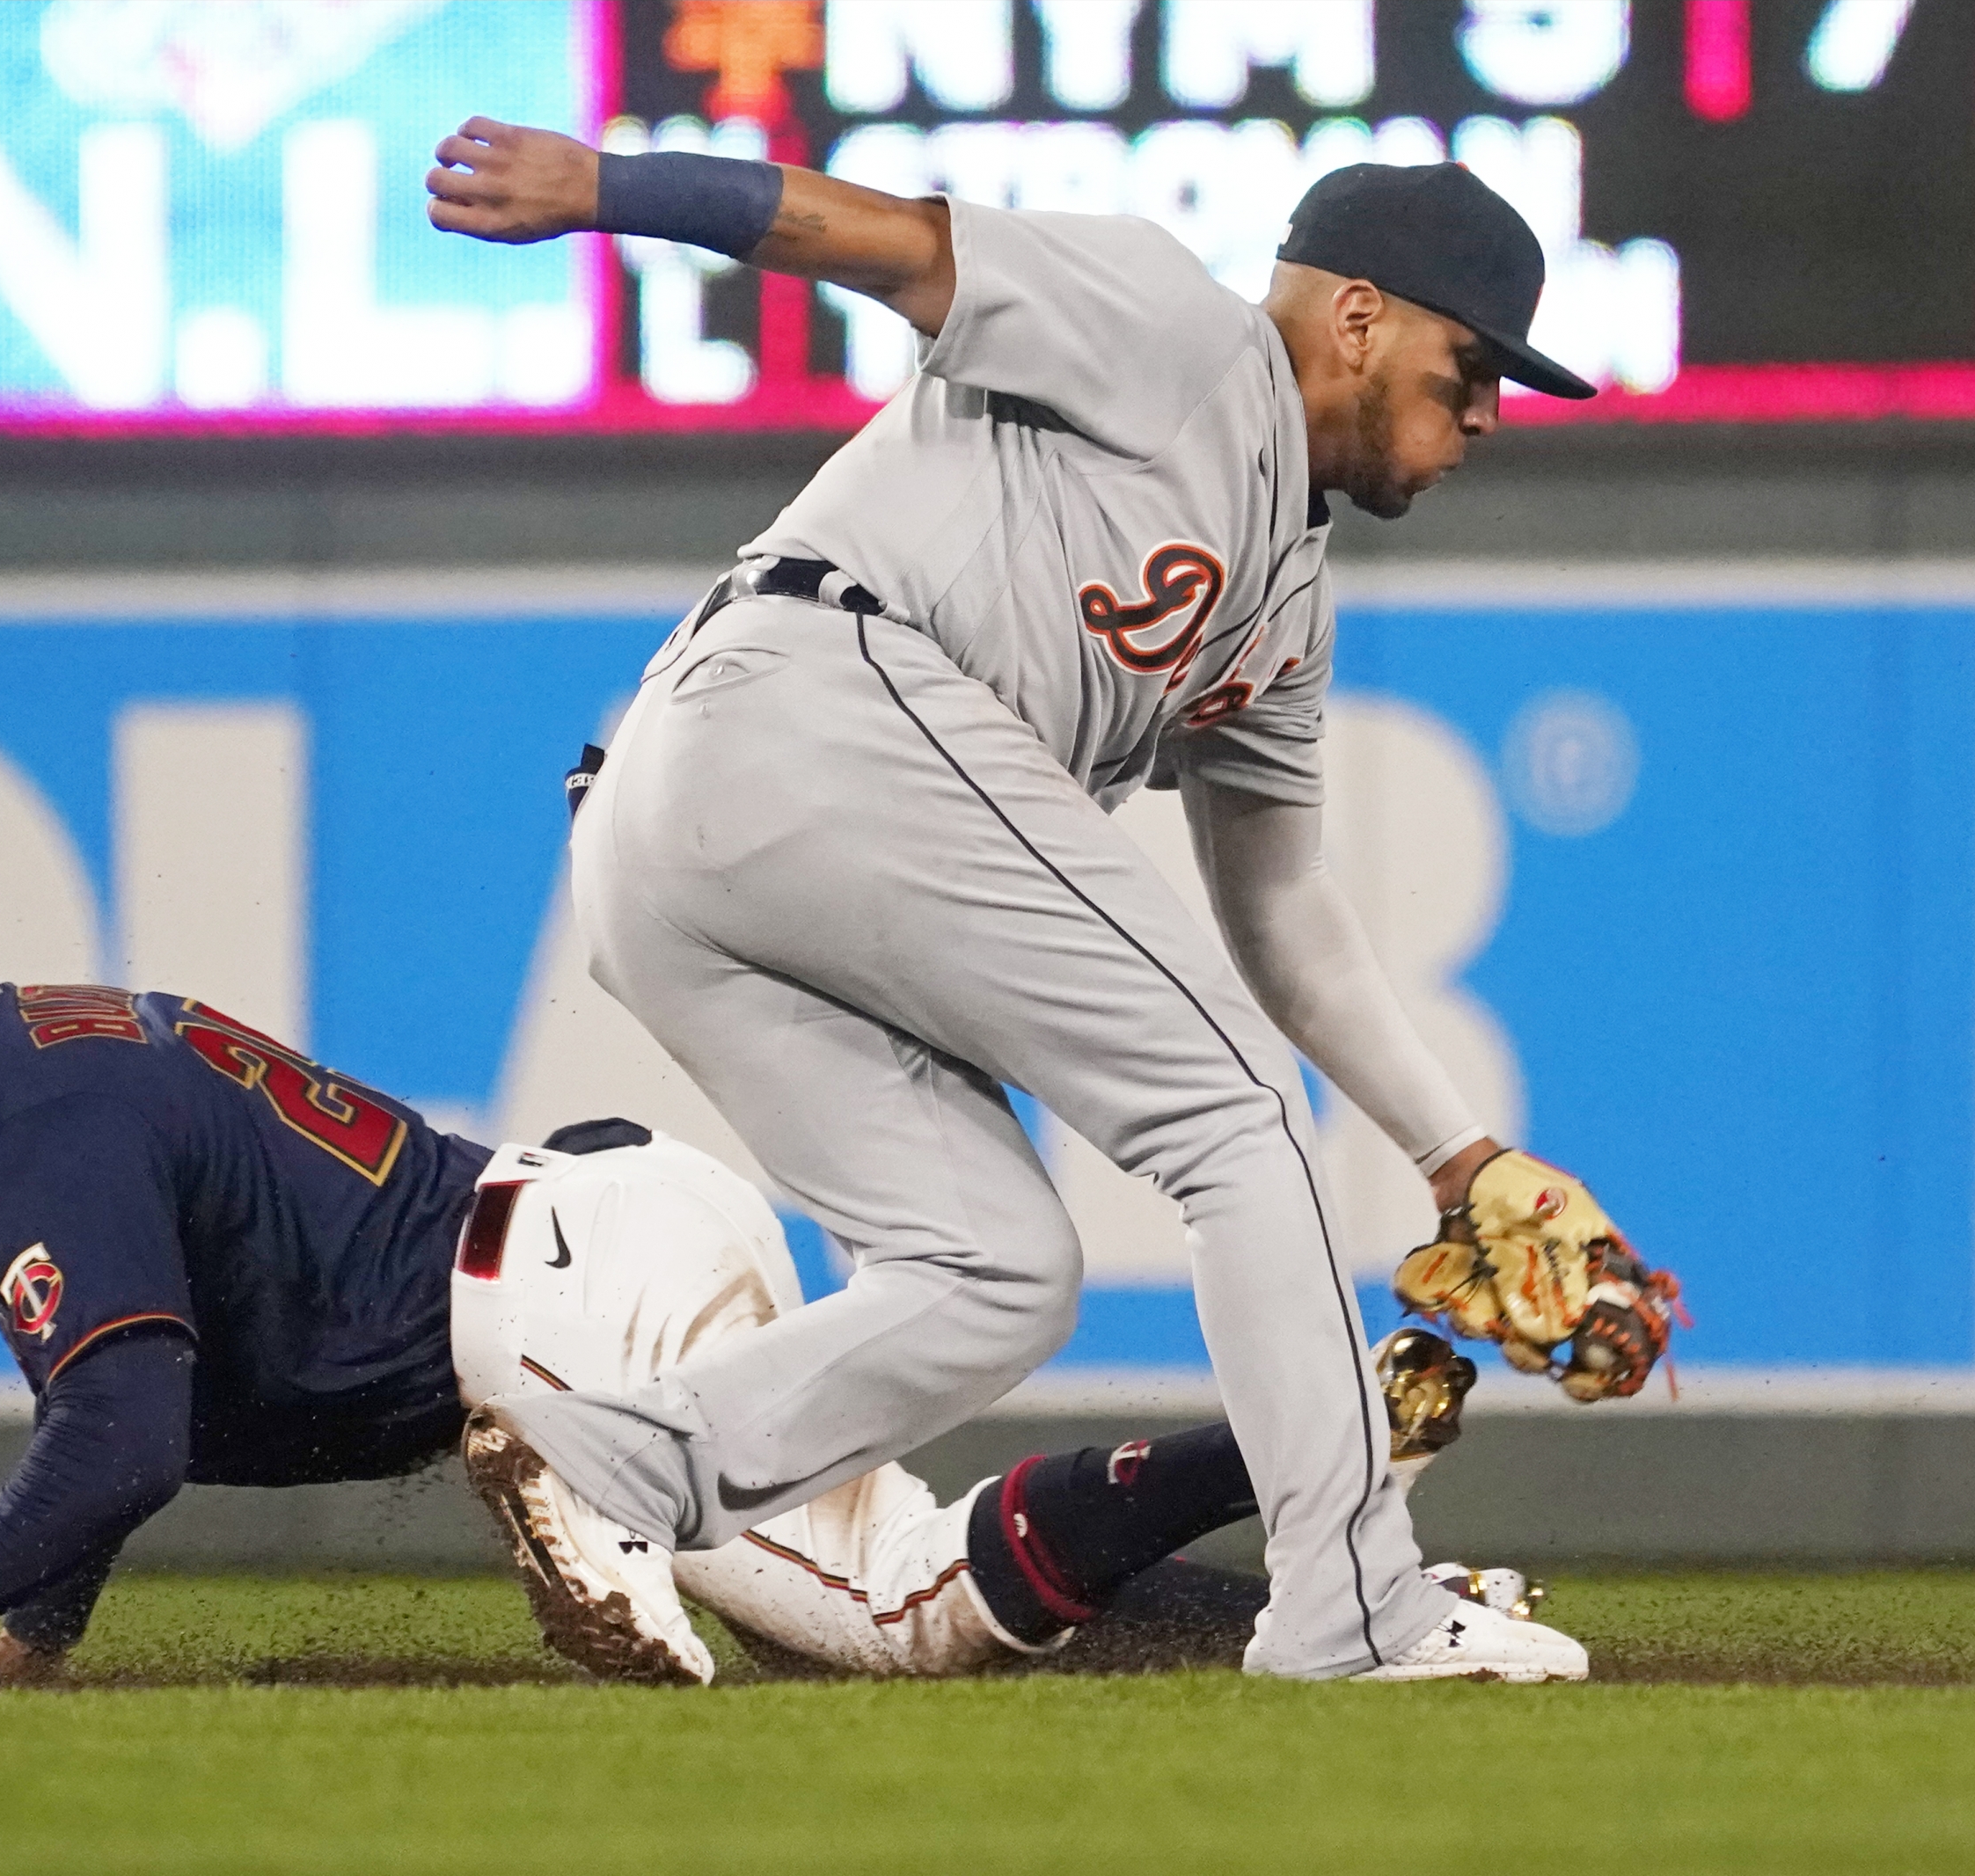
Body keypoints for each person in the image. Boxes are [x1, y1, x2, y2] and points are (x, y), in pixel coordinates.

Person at [424, 122, 1615, 1681]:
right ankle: (1353, 1606)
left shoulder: (1285, 602)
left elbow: (1283, 916)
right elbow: (891, 242)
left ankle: (616, 1467)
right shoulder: (1178, 331)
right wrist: (606, 193)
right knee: (1241, 1114)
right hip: (806, 703)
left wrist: (1461, 1158)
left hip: (707, 828)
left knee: (996, 1271)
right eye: (1475, 366)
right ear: (1359, 315)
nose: (1486, 413)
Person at [0, 801, 1547, 1685]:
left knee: (900, 1618)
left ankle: (1311, 1447)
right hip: (588, 1236)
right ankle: (1338, 1517)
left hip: (554, 1319)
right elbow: (127, 1421)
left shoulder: (30, 1124)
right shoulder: (45, 1071)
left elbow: (116, 1439)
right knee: (888, 1574)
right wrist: (28, 1626)